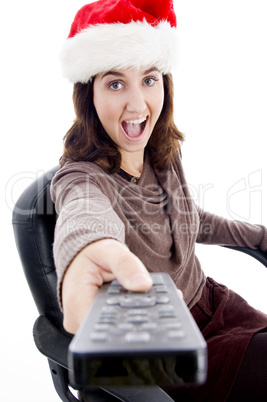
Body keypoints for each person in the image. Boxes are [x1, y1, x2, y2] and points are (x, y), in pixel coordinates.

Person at [51, 1, 267, 400]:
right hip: (171, 340)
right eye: (116, 83)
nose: (137, 105)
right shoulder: (82, 177)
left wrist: (259, 236)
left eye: (148, 80)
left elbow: (188, 220)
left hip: (215, 303)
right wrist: (89, 248)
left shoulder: (161, 150)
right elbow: (84, 214)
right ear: (88, 95)